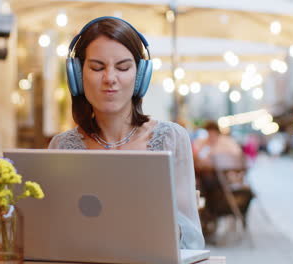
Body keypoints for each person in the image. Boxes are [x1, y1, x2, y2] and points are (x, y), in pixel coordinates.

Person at [48, 16, 205, 249]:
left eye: (123, 67)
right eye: (97, 67)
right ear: (78, 75)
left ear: (141, 76)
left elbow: (192, 240)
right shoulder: (61, 146)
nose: (110, 78)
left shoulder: (171, 138)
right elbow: (50, 232)